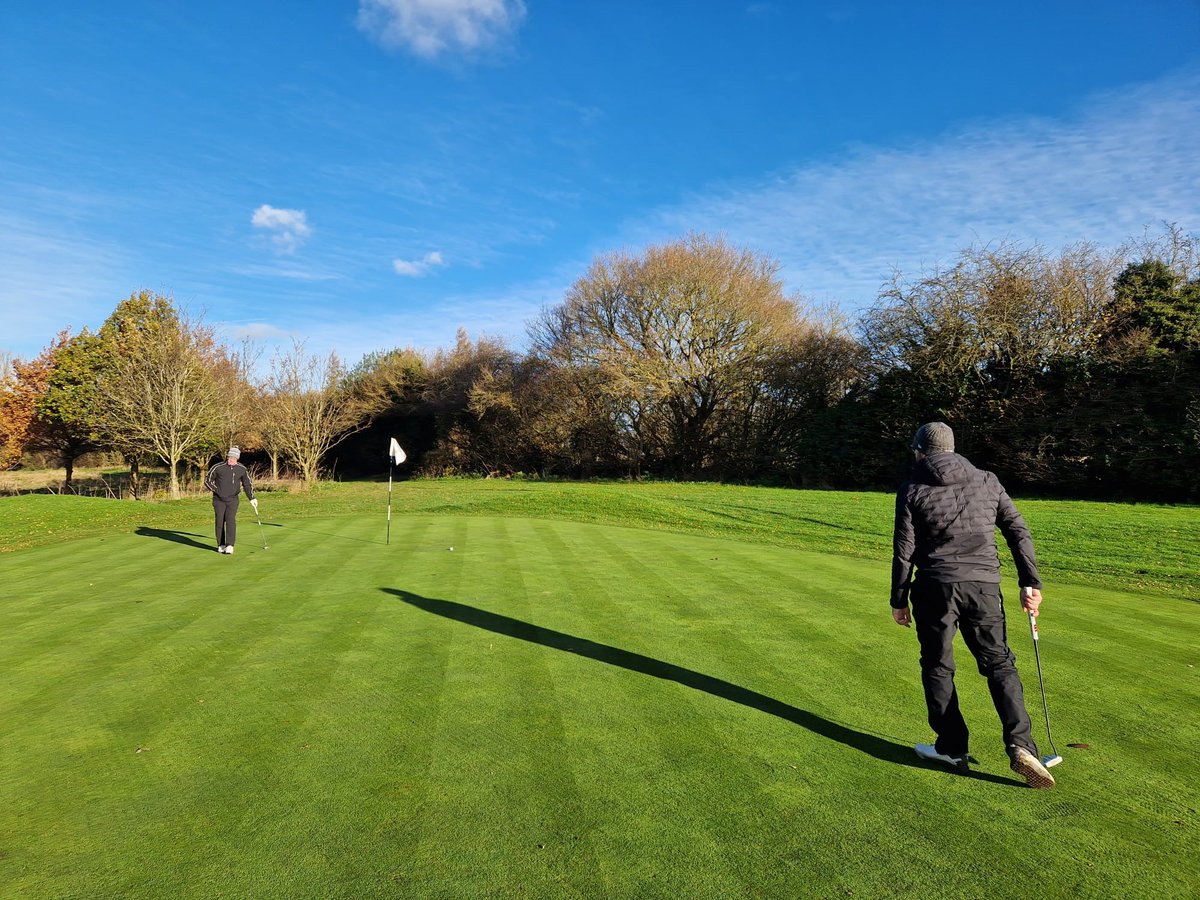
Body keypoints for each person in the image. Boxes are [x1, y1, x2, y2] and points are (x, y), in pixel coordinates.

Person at [890, 422, 1055, 789]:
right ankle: (1021, 745)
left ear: (919, 450)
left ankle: (951, 747)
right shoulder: (987, 480)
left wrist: (899, 599)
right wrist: (1030, 581)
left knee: (937, 665)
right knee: (998, 663)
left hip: (934, 588)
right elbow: (1017, 531)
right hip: (983, 587)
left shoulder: (912, 488)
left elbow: (904, 551)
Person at [203, 447, 257, 555]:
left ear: (237, 458)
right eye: (229, 457)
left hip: (233, 499)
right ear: (227, 457)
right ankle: (221, 545)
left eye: (234, 458)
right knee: (219, 521)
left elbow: (247, 484)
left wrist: (252, 498)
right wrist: (217, 490)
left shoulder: (241, 469)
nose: (231, 459)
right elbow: (207, 480)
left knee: (230, 520)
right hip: (219, 500)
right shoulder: (218, 467)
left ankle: (230, 545)